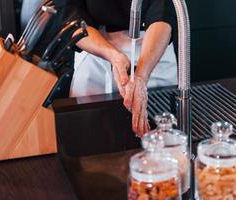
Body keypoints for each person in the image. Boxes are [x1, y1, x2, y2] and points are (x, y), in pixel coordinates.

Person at [67, 0, 178, 136]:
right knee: (91, 135)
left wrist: (141, 75)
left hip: (153, 50)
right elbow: (69, 13)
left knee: (162, 139)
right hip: (94, 51)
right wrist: (114, 56)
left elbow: (163, 12)